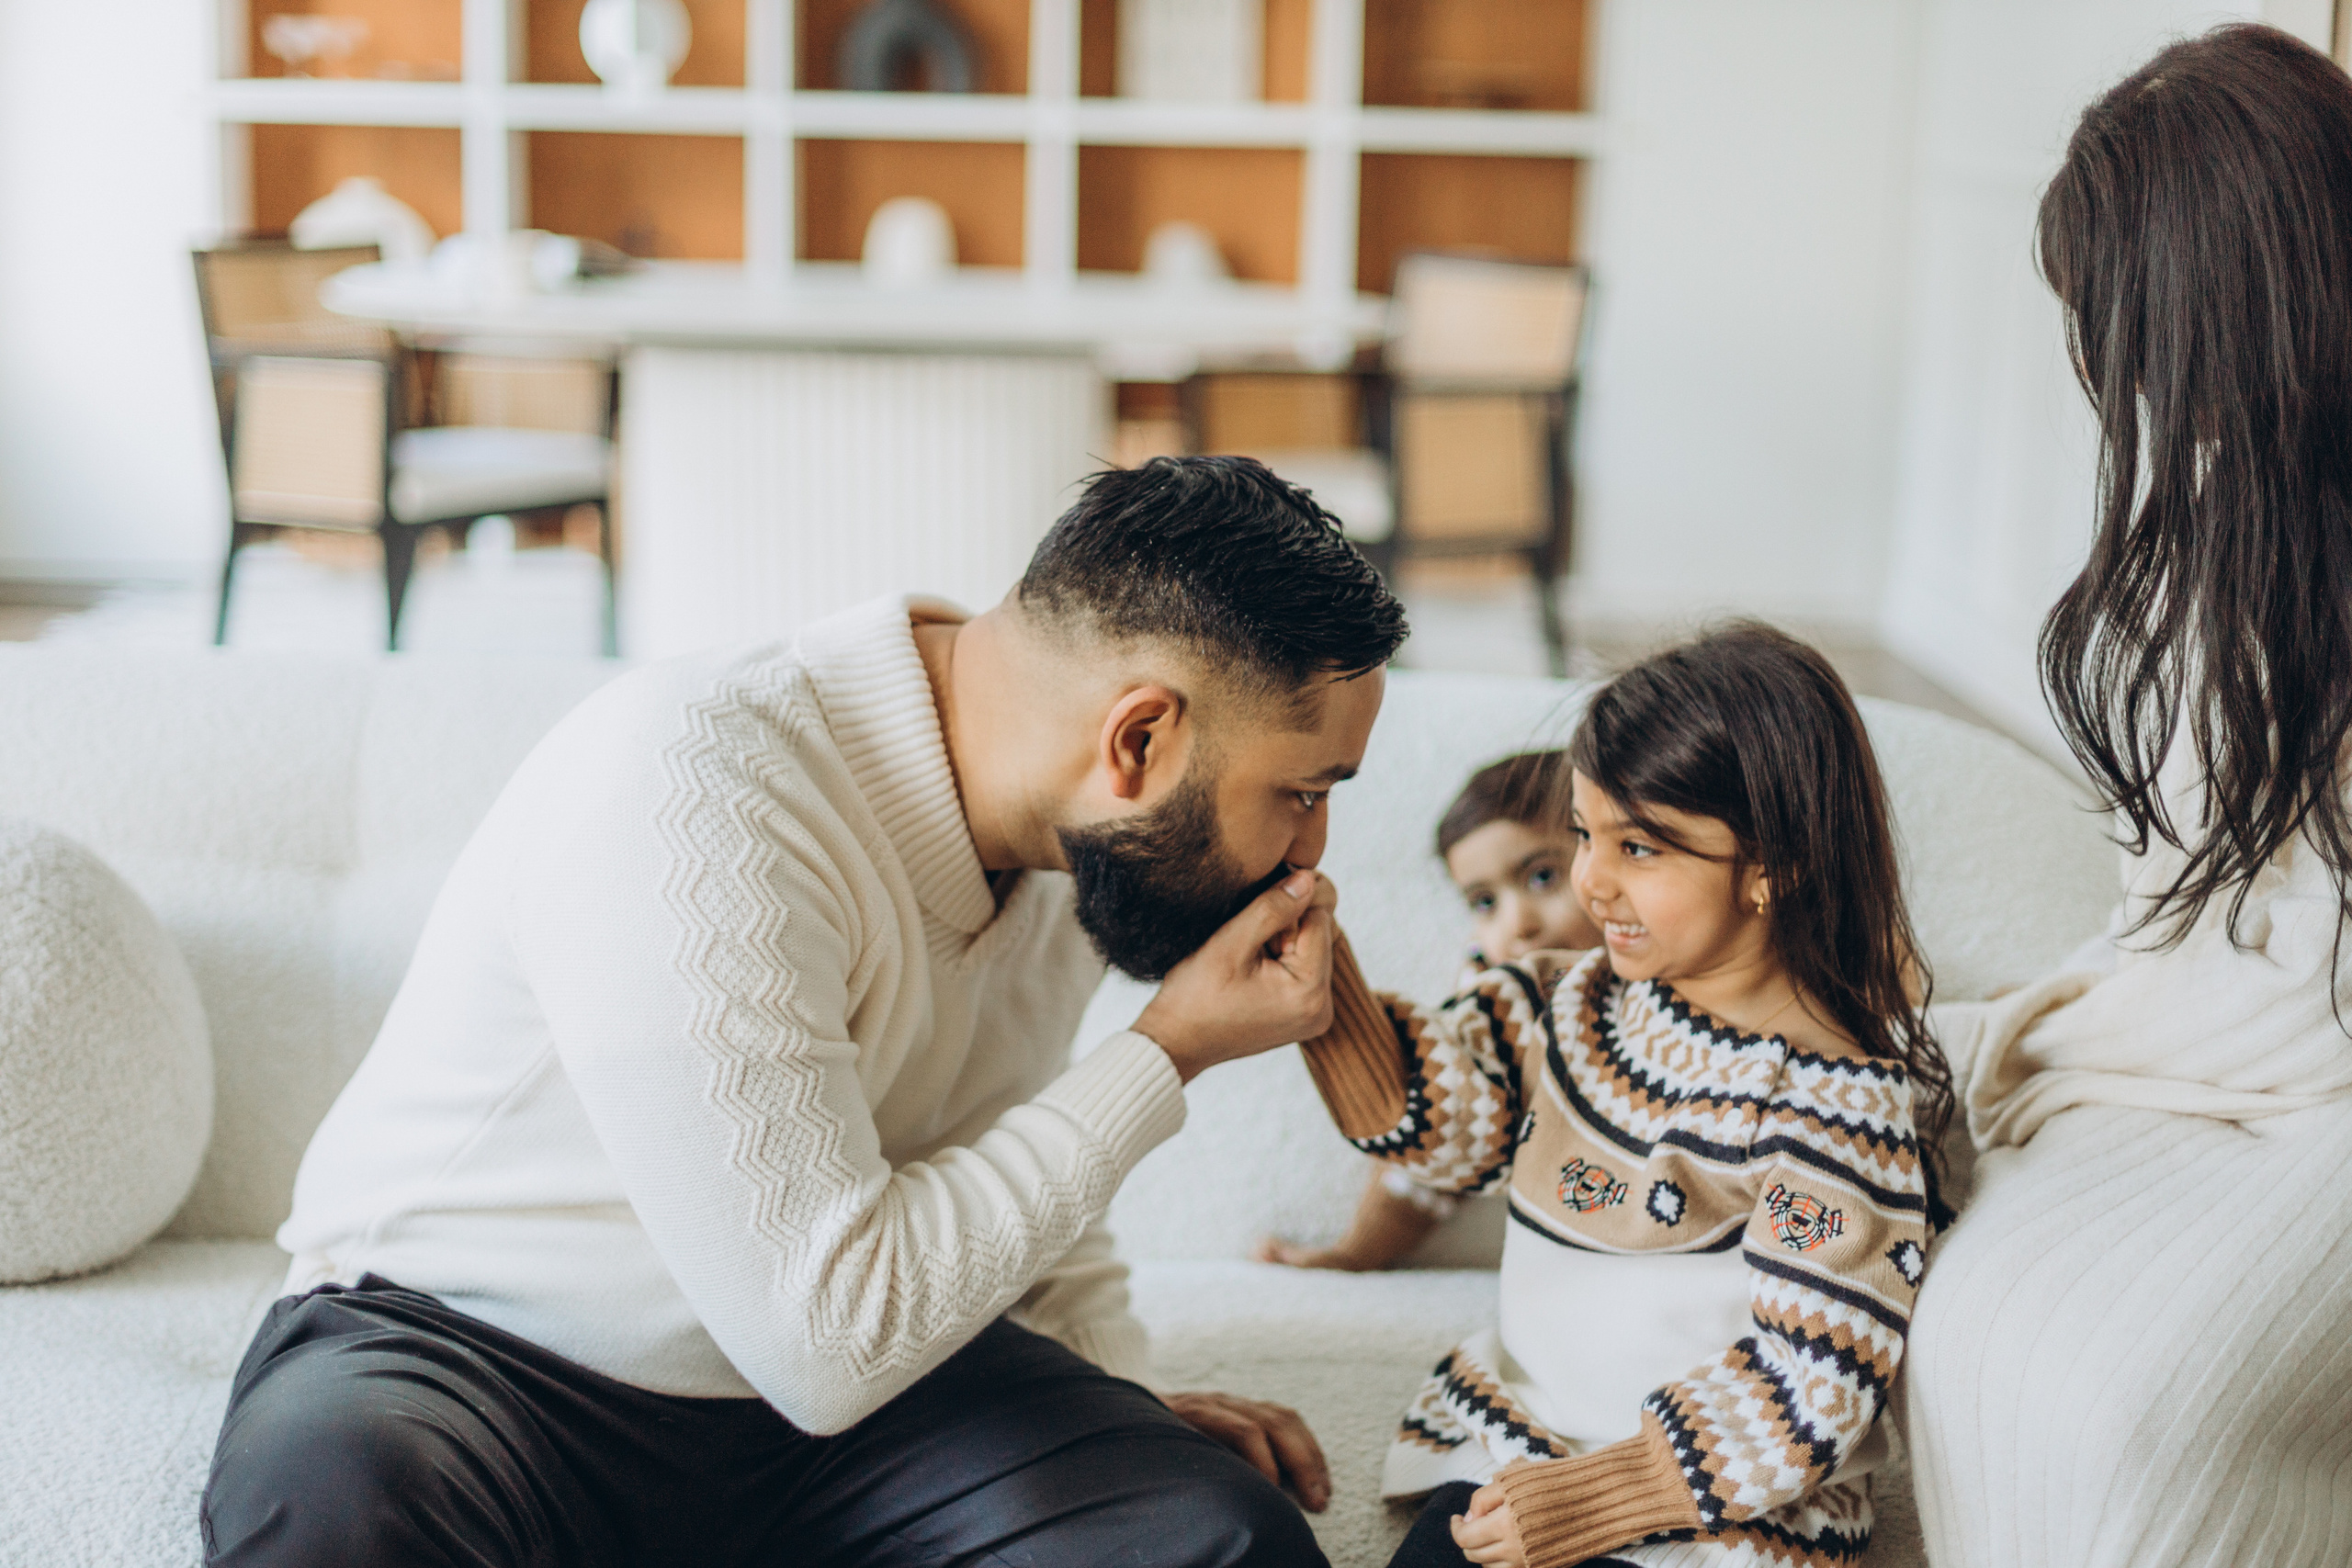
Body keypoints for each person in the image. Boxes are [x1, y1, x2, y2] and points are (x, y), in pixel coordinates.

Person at [197, 456, 1409, 1568]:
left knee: (1211, 1536)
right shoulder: (695, 785)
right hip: (474, 1355)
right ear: (1137, 737)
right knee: (341, 1519)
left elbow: (997, 1180)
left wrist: (1115, 1402)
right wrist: (1167, 1051)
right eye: (1300, 792)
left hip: (855, 1413)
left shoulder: (1076, 846)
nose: (1309, 854)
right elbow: (829, 1334)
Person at [1905, 24, 2352, 1565]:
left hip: (2318, 1093)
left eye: (2122, 317)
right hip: (2224, 1054)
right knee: (1969, 1328)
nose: (2117, 366)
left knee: (2128, 1403)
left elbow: (2310, 975)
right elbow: (2183, 916)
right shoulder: (2202, 562)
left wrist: (2059, 1032)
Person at [1299, 624, 1953, 1568]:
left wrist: (1593, 1500)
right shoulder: (1561, 1001)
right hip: (1523, 1445)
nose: (1590, 881)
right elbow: (1438, 1130)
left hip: (1705, 1514)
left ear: (1777, 862)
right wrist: (1321, 989)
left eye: (1640, 847)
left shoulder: (1830, 1112)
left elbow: (1810, 1381)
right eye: (1583, 834)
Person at [1257, 750, 1600, 1271]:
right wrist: (1358, 1252)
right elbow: (1436, 1137)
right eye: (1485, 903)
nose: (1518, 924)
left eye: (1542, 877)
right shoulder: (1495, 993)